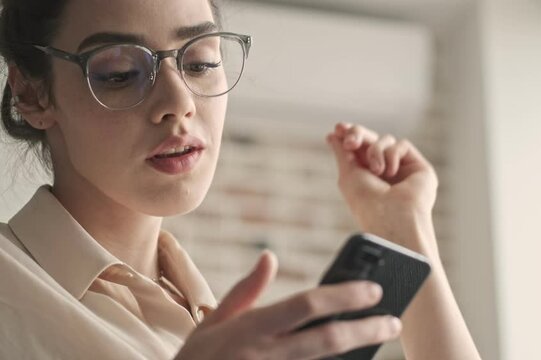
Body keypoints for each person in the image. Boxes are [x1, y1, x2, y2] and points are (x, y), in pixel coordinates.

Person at [0, 0, 481, 359]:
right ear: (34, 94)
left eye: (200, 63)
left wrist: (405, 234)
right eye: (120, 73)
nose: (179, 100)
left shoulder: (222, 326)